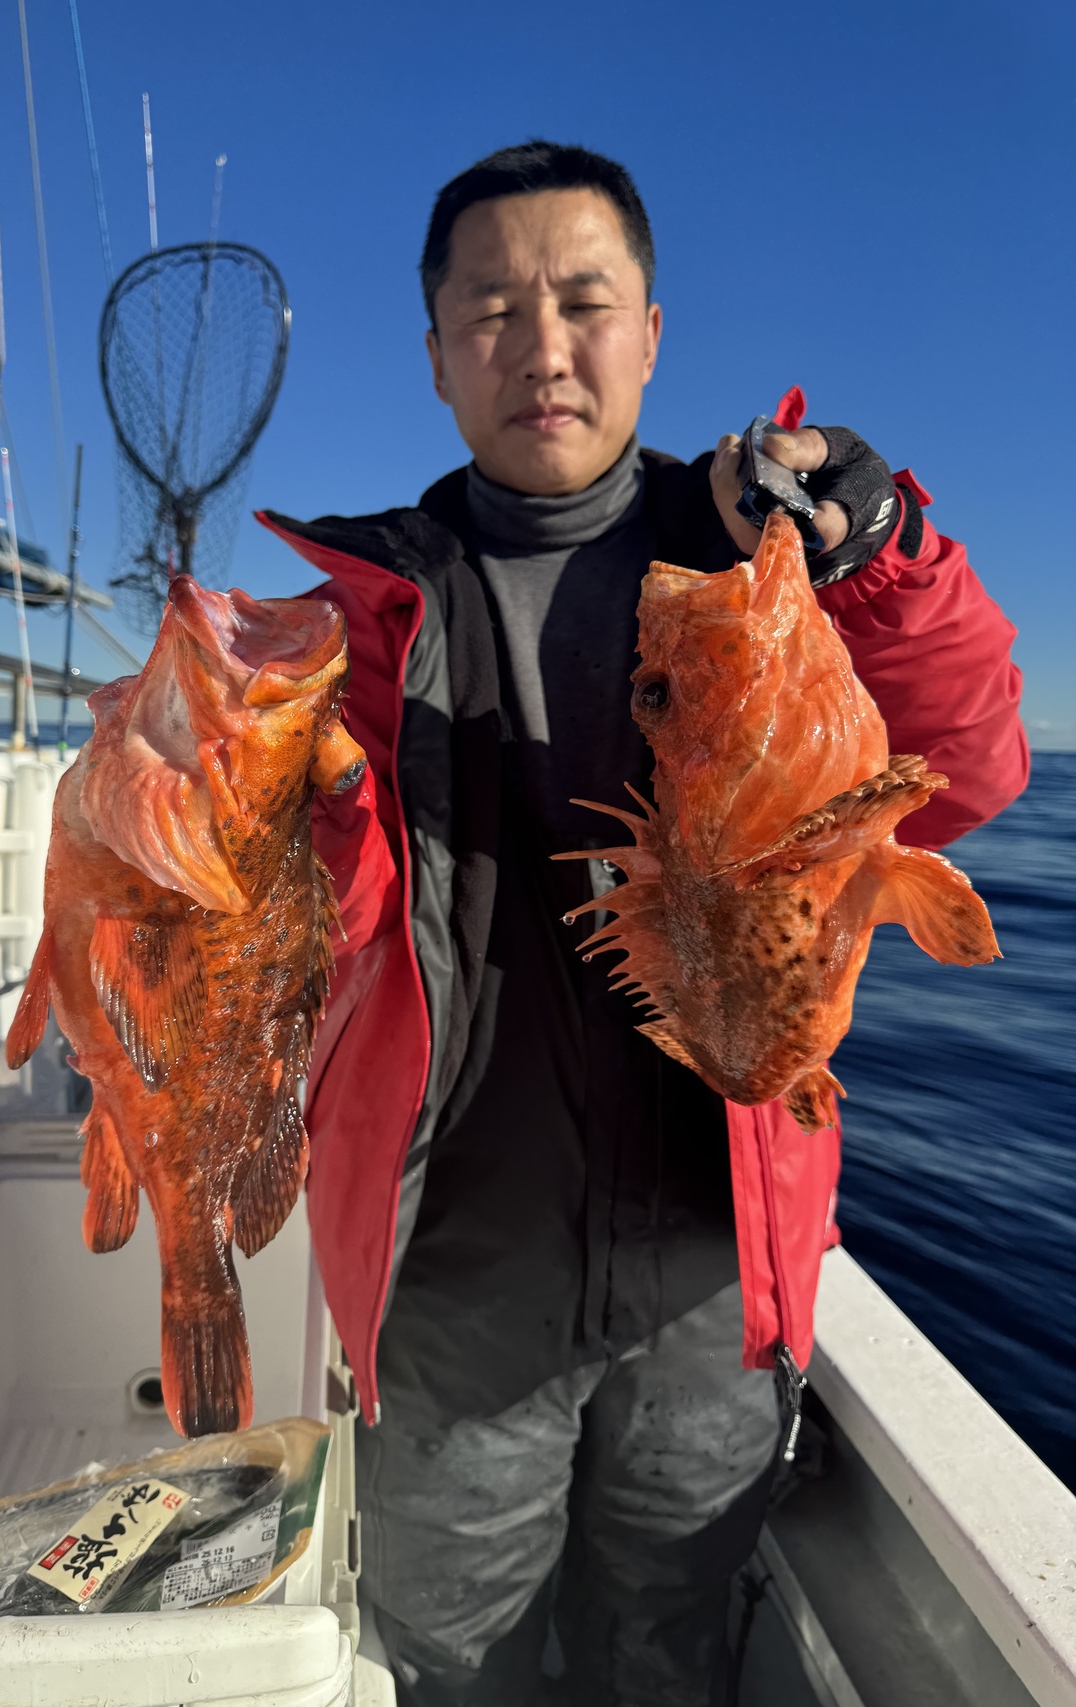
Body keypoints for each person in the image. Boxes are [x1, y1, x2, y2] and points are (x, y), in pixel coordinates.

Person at [256, 142, 1028, 1706]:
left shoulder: (761, 552)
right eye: (492, 311)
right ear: (435, 355)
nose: (542, 348)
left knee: (669, 1641)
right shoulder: (354, 619)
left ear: (653, 335)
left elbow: (967, 766)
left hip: (708, 1271)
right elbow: (280, 907)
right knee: (451, 1658)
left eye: (584, 302)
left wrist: (880, 558)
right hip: (454, 1279)